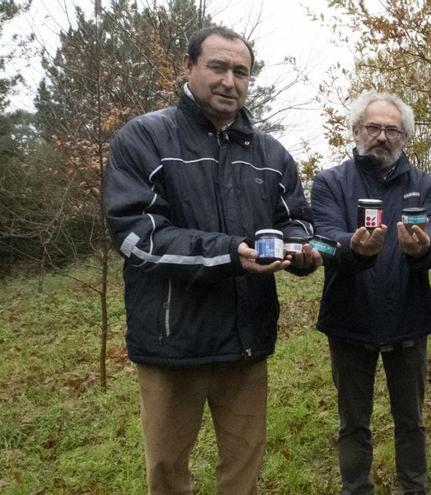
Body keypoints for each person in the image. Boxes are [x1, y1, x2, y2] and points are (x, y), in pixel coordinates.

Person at [103, 26, 321, 494]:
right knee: (166, 472)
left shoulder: (271, 154)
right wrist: (228, 254)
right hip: (172, 341)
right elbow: (138, 234)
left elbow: (296, 219)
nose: (229, 81)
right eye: (217, 67)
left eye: (240, 72)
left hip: (245, 339)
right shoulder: (144, 138)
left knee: (243, 470)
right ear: (189, 67)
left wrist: (300, 250)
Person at [310, 90, 431, 495]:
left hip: (408, 317)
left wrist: (425, 247)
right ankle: (357, 489)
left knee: (412, 420)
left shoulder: (424, 185)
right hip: (349, 319)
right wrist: (352, 247)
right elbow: (325, 235)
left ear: (404, 136)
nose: (382, 136)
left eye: (392, 129)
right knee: (353, 422)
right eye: (373, 127)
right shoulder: (330, 182)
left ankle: (414, 489)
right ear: (355, 131)